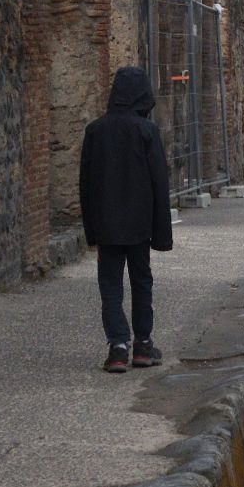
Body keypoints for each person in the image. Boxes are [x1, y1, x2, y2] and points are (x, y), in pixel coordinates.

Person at [79, 66, 175, 373]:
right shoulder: (147, 132)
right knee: (141, 281)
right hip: (139, 223)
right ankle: (143, 344)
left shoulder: (95, 130)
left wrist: (90, 229)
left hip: (107, 223)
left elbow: (86, 184)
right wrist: (162, 234)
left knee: (110, 284)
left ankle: (118, 346)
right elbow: (159, 182)